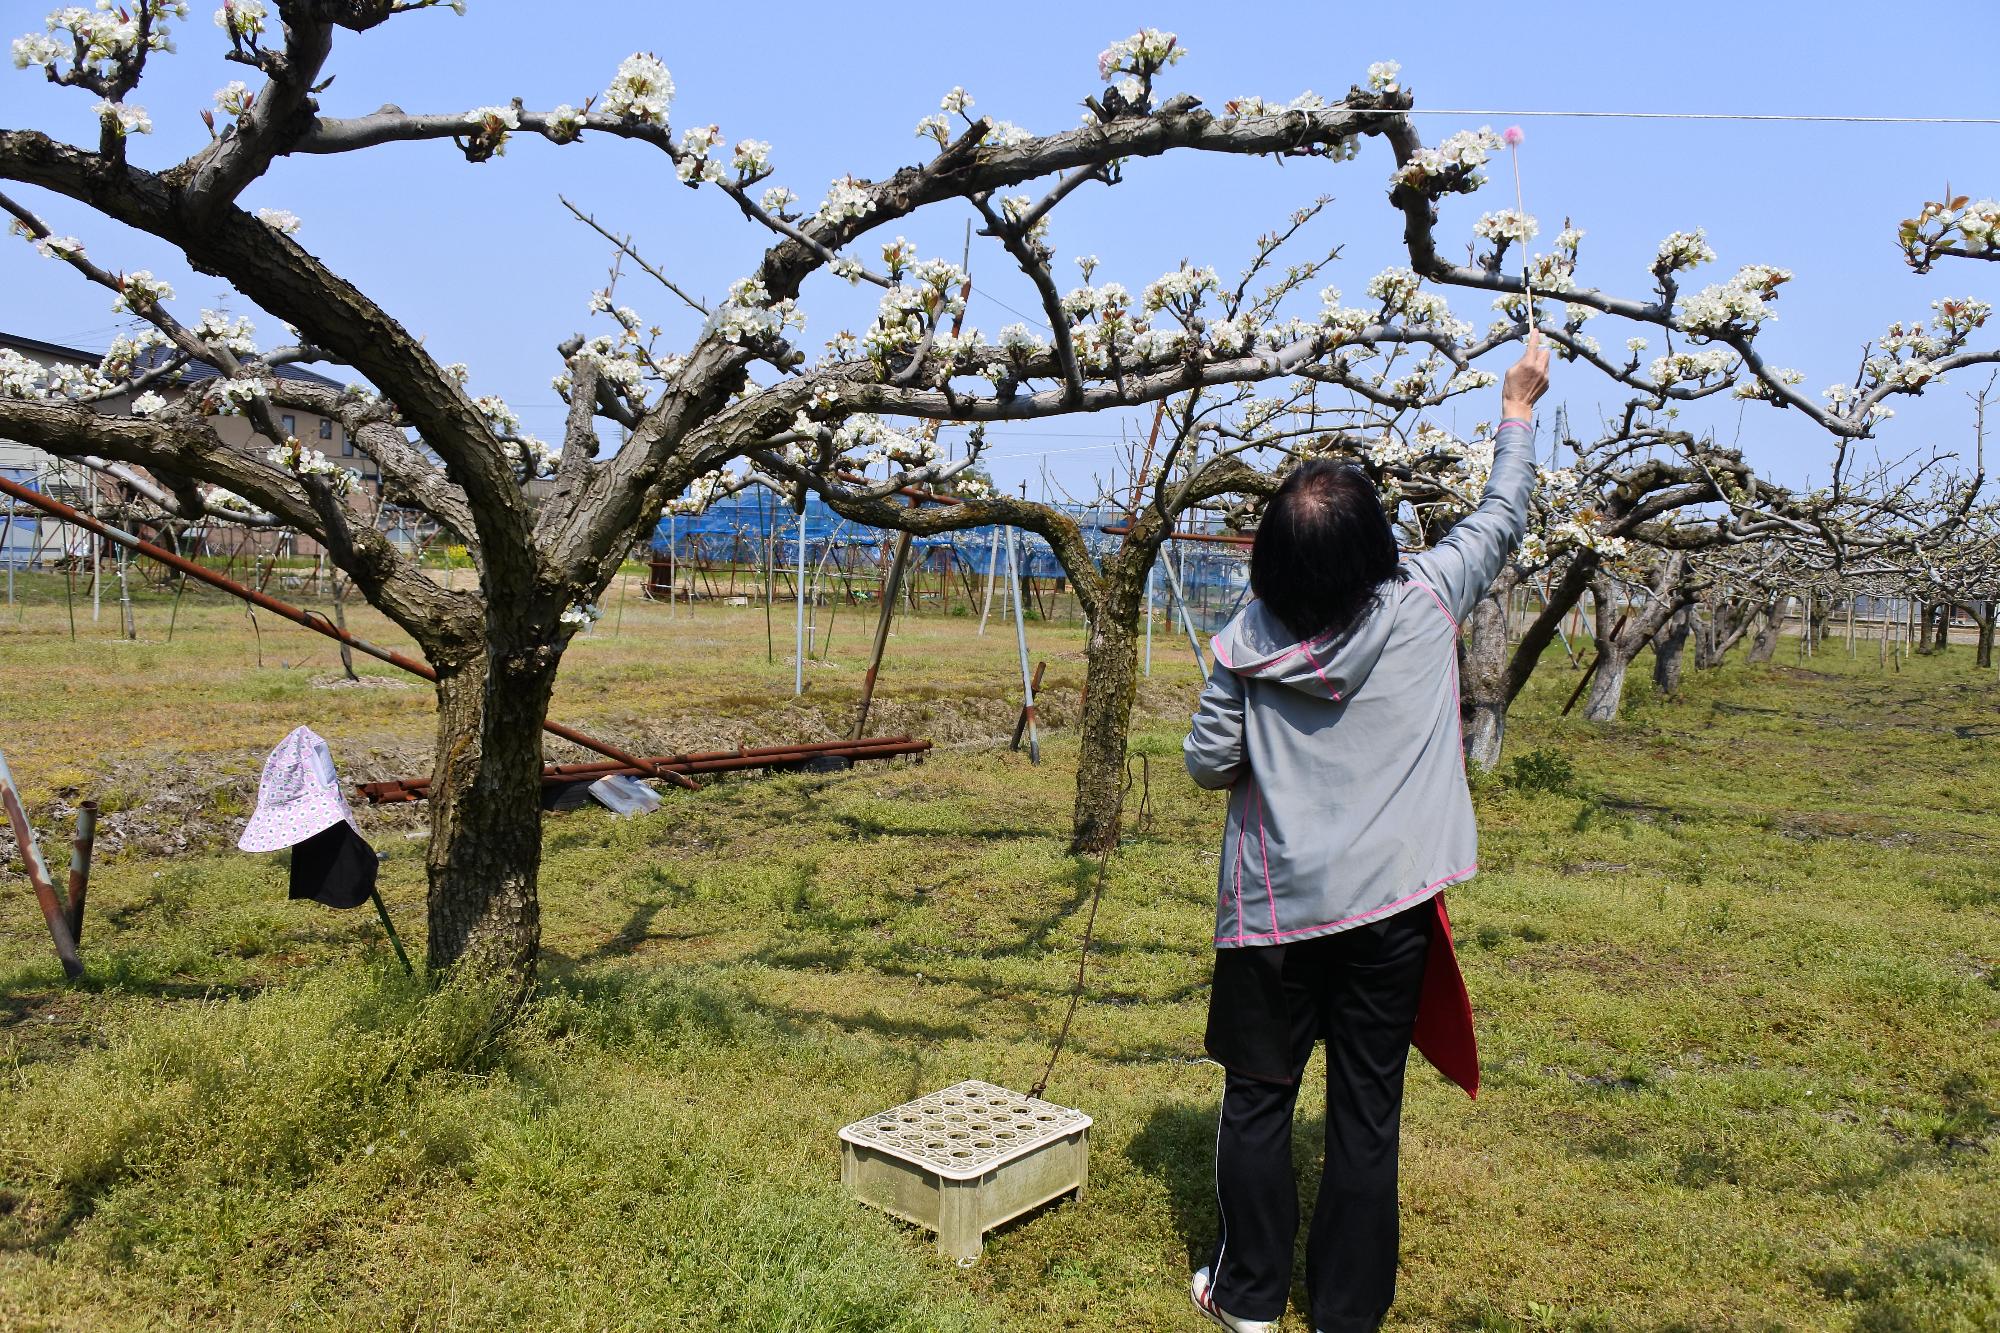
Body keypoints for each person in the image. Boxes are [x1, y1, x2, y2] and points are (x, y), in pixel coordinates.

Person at [1182, 334, 1551, 1332]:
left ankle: (1248, 1294)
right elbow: (1502, 515)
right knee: (1363, 1111)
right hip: (1389, 912)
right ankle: (1345, 1312)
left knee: (1257, 1097)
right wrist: (1514, 405)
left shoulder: (1241, 645)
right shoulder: (1427, 599)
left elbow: (1206, 761)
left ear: (1269, 558)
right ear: (1376, 550)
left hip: (1270, 917)